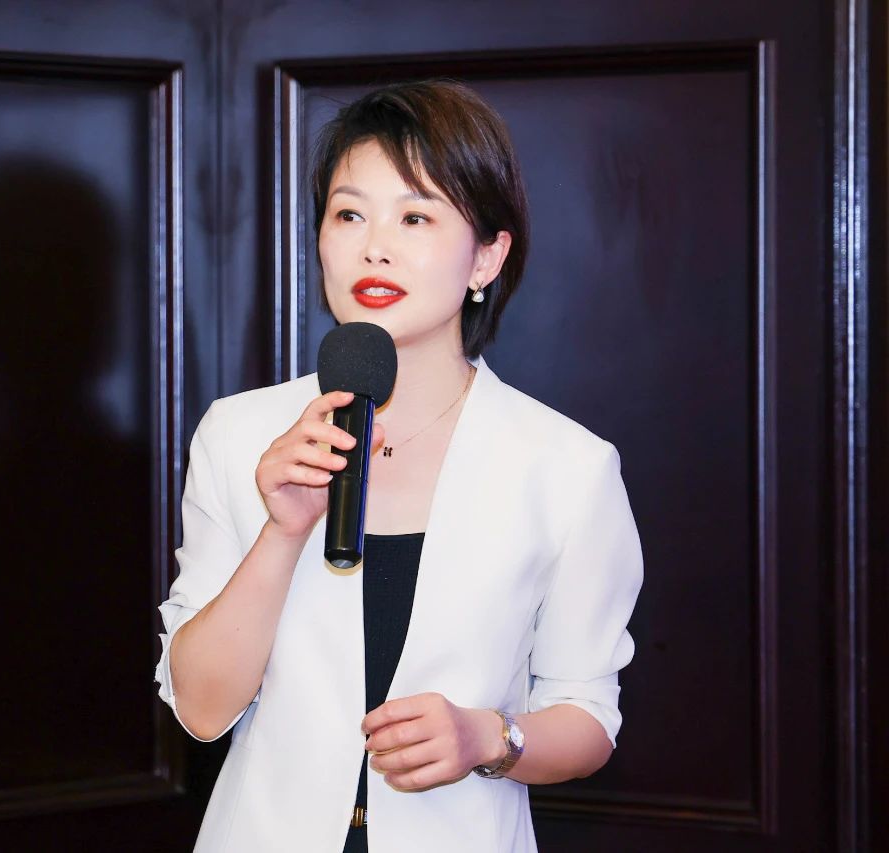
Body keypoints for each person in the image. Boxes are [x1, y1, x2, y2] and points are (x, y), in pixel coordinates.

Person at [154, 79, 643, 852]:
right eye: (349, 214)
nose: (373, 246)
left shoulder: (565, 467)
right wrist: (282, 533)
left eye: (416, 217)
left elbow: (587, 718)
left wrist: (488, 737)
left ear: (487, 256)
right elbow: (201, 708)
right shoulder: (240, 434)